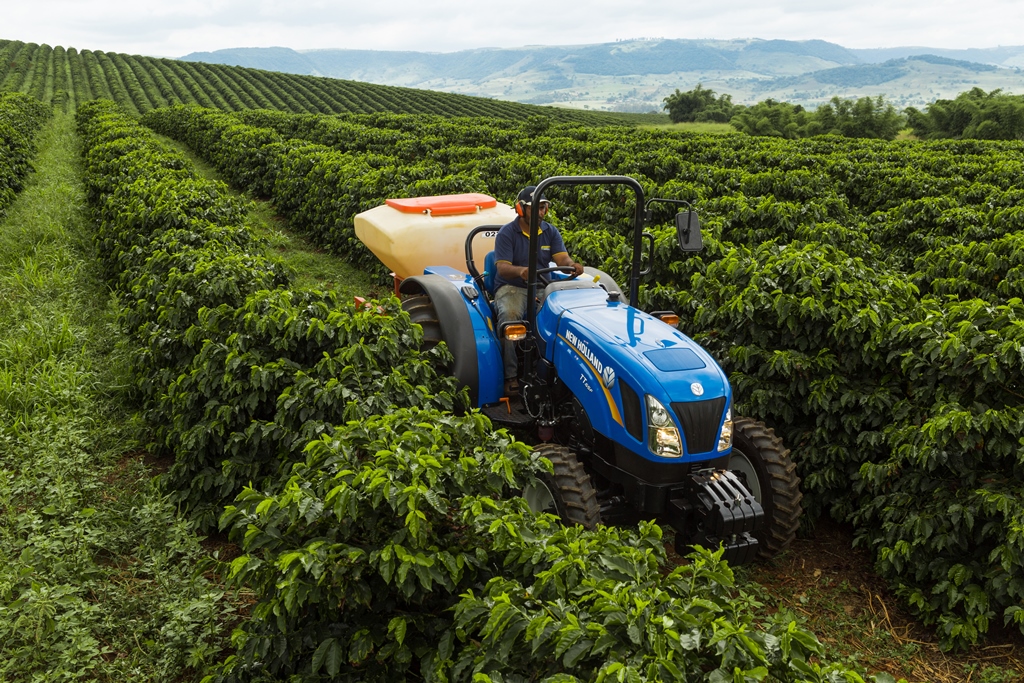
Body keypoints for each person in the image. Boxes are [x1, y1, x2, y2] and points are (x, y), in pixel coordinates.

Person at [493, 185, 584, 395]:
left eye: (544, 208)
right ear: (521, 209)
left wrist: (572, 265)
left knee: (563, 320)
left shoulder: (550, 232)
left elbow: (562, 258)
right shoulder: (507, 233)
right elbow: (503, 269)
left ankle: (551, 371)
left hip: (542, 287)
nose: (541, 212)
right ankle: (511, 375)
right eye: (537, 208)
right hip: (513, 286)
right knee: (510, 318)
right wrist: (522, 271)